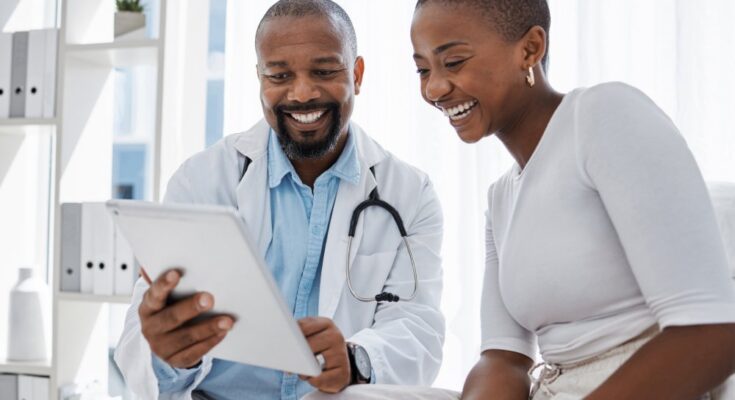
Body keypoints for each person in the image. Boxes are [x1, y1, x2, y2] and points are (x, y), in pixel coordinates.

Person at [114, 1, 446, 399]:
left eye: (324, 71)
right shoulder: (201, 181)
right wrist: (171, 354)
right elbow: (142, 336)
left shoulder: (409, 193)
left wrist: (358, 359)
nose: (302, 93)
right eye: (279, 74)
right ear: (259, 78)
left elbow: (418, 326)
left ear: (356, 74)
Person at [410, 0, 735, 399]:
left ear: (530, 49)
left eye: (454, 62)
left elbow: (712, 332)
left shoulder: (603, 116)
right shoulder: (501, 197)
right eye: (423, 69)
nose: (434, 88)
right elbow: (503, 357)